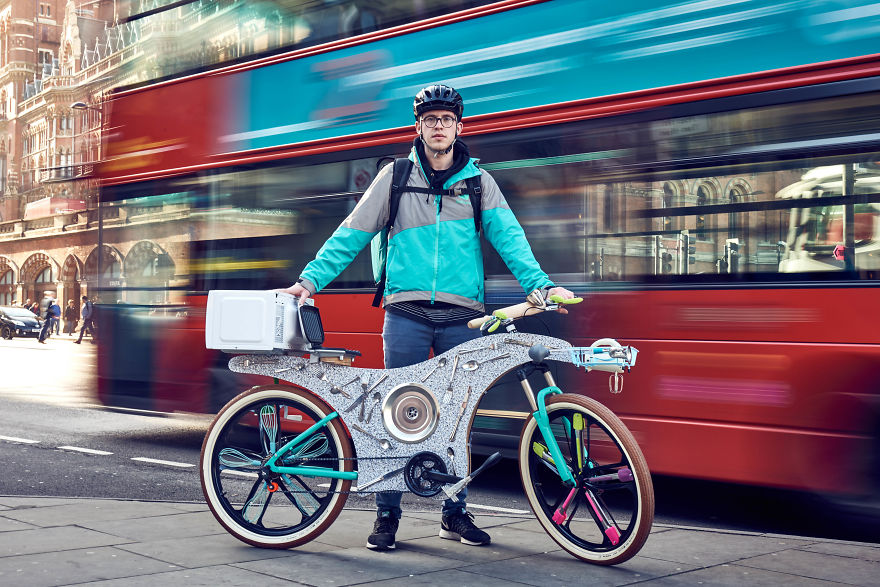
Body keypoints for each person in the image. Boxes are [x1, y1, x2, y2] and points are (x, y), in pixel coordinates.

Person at [282, 83, 575, 552]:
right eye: (431, 119)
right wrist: (310, 281)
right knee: (395, 415)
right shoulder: (395, 177)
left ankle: (454, 514)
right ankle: (387, 514)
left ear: (459, 127)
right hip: (406, 315)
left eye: (446, 120)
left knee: (458, 419)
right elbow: (350, 233)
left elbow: (510, 238)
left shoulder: (479, 183)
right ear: (418, 127)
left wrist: (538, 285)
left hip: (463, 316)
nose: (439, 127)